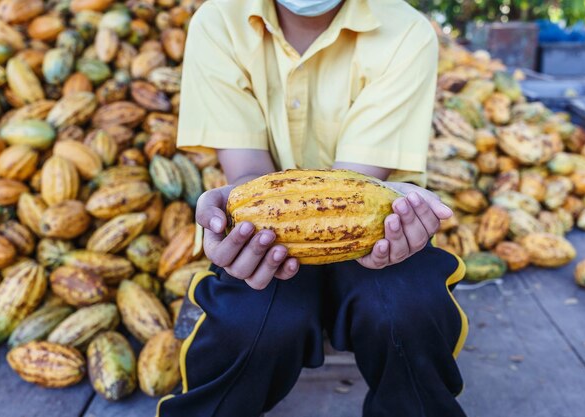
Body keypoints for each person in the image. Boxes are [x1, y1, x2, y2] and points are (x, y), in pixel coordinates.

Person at [157, 0, 469, 416]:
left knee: (406, 311)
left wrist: (396, 203)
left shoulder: (406, 31)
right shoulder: (218, 21)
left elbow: (348, 201)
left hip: (376, 234)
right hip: (274, 231)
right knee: (249, 324)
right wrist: (232, 209)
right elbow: (249, 172)